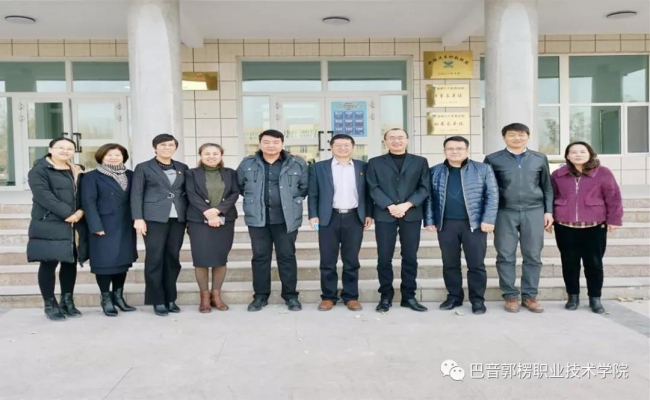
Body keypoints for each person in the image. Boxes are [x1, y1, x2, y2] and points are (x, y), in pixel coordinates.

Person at [484, 123, 554, 313]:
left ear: (528, 137)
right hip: (504, 212)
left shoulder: (539, 158)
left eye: (521, 134)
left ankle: (530, 296)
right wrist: (489, 215)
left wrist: (548, 211)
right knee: (505, 254)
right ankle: (510, 295)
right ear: (504, 137)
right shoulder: (493, 159)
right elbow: (488, 188)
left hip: (534, 211)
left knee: (533, 255)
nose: (517, 138)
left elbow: (547, 187)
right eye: (512, 135)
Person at [424, 136, 498, 315]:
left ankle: (477, 300)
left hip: (474, 225)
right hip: (446, 224)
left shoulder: (483, 169)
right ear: (444, 151)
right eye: (450, 148)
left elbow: (492, 195)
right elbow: (429, 197)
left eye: (459, 148)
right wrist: (429, 220)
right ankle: (454, 297)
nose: (455, 152)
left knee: (476, 264)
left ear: (467, 150)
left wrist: (489, 219)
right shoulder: (435, 171)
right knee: (450, 263)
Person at [237, 129, 309, 312]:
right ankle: (260, 296)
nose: (271, 146)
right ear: (260, 144)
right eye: (266, 142)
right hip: (258, 219)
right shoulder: (247, 164)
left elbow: (304, 188)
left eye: (275, 142)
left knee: (287, 257)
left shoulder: (297, 164)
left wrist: (292, 201)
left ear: (282, 144)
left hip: (286, 219)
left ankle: (290, 296)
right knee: (260, 257)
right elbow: (241, 186)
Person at [550, 142, 623, 314]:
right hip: (565, 226)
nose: (578, 155)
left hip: (594, 226)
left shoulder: (603, 173)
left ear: (590, 154)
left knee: (594, 264)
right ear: (567, 156)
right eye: (573, 152)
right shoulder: (558, 175)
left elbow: (613, 197)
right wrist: (549, 218)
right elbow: (550, 197)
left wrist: (614, 219)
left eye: (582, 151)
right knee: (569, 263)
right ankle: (573, 296)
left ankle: (595, 298)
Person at [366, 128, 431, 313]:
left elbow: (424, 188)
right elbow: (372, 187)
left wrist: (407, 205)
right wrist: (390, 205)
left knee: (410, 256)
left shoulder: (420, 162)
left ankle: (408, 296)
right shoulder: (375, 162)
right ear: (385, 141)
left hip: (411, 214)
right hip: (385, 214)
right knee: (384, 257)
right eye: (392, 138)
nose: (396, 141)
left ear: (407, 140)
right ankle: (385, 296)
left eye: (400, 137)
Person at [308, 134, 373, 312]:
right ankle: (328, 297)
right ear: (331, 147)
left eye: (346, 145)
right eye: (338, 145)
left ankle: (351, 296)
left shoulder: (363, 167)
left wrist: (368, 213)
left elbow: (368, 193)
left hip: (354, 217)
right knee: (327, 259)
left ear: (353, 147)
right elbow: (313, 193)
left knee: (351, 259)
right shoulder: (318, 167)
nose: (342, 148)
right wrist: (313, 215)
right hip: (328, 217)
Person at [26, 138, 85, 321]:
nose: (65, 151)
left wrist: (81, 211)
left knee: (70, 262)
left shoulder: (76, 170)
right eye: (61, 147)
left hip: (74, 222)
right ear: (50, 149)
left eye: (69, 148)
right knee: (49, 262)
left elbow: (83, 193)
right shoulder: (39, 170)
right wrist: (68, 214)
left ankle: (67, 300)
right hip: (49, 222)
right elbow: (43, 195)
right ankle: (50, 303)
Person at [131, 134, 188, 317]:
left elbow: (186, 192)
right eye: (163, 145)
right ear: (155, 147)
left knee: (172, 258)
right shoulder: (143, 167)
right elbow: (136, 194)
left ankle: (170, 298)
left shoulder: (182, 167)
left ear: (175, 147)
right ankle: (157, 299)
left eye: (171, 145)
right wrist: (138, 218)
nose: (167, 148)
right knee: (155, 258)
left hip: (177, 219)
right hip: (153, 218)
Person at [79, 144, 138, 317]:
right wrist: (95, 226)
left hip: (125, 224)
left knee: (122, 262)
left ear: (123, 157)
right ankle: (106, 299)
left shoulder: (131, 175)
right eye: (109, 155)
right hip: (103, 226)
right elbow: (88, 203)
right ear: (101, 157)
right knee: (104, 264)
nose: (113, 157)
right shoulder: (91, 177)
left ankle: (118, 297)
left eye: (117, 155)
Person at [185, 143, 240, 313]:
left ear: (221, 155)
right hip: (198, 220)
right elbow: (191, 194)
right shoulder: (191, 173)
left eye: (215, 153)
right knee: (201, 259)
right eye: (207, 153)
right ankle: (204, 297)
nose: (211, 156)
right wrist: (208, 212)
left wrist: (217, 211)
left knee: (220, 258)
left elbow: (234, 194)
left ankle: (216, 296)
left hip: (225, 220)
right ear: (200, 155)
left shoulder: (230, 173)